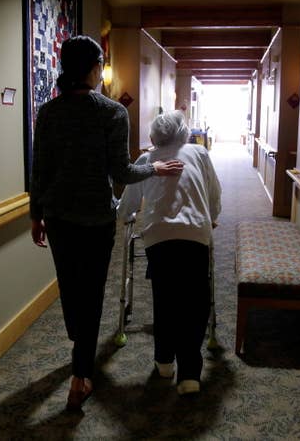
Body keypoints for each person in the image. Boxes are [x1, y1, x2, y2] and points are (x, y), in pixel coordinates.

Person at [29, 35, 184, 410]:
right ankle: (80, 376)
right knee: (92, 294)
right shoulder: (112, 113)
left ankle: (78, 349)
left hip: (59, 217)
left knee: (70, 286)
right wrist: (156, 168)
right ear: (96, 68)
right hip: (96, 220)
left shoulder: (48, 113)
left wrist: (36, 214)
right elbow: (122, 171)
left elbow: (41, 170)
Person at [117, 110, 222, 396]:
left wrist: (125, 215)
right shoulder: (199, 153)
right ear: (183, 132)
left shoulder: (145, 160)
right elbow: (214, 193)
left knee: (165, 298)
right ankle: (189, 374)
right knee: (195, 301)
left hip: (159, 237)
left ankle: (164, 361)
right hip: (195, 234)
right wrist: (211, 217)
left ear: (154, 136)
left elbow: (128, 205)